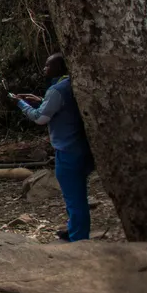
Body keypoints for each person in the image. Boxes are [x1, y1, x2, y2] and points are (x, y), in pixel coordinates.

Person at [11, 52, 95, 241]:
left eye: (48, 65)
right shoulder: (73, 84)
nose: (44, 69)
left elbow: (40, 118)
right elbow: (61, 108)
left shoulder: (57, 90)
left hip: (67, 150)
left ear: (60, 67)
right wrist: (40, 100)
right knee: (76, 194)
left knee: (74, 197)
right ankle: (73, 228)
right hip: (82, 147)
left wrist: (21, 104)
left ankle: (79, 238)